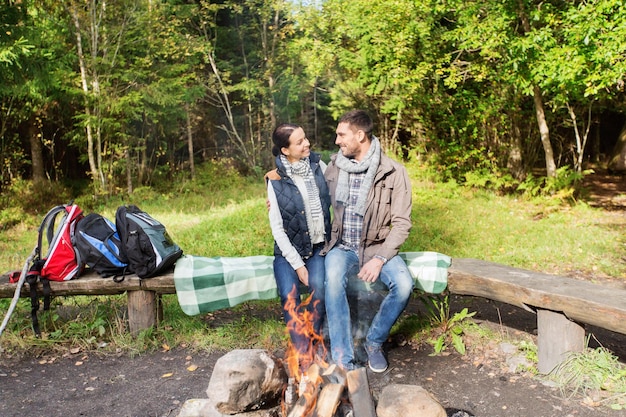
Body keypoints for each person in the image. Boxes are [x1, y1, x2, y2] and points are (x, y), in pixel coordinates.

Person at [321, 109, 413, 373]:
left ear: (360, 135)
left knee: (404, 285)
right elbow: (309, 192)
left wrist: (380, 258)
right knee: (333, 281)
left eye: (342, 135)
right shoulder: (334, 166)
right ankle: (343, 359)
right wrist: (277, 179)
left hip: (377, 247)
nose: (337, 140)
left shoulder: (393, 172)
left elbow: (402, 223)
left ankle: (373, 342)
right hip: (342, 246)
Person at [266, 123, 331, 367]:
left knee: (319, 290)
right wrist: (297, 265)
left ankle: (314, 342)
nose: (307, 144)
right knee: (289, 296)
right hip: (287, 252)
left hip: (316, 248)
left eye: (306, 138)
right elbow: (277, 230)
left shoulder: (319, 167)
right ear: (285, 150)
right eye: (300, 142)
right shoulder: (274, 180)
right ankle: (303, 354)